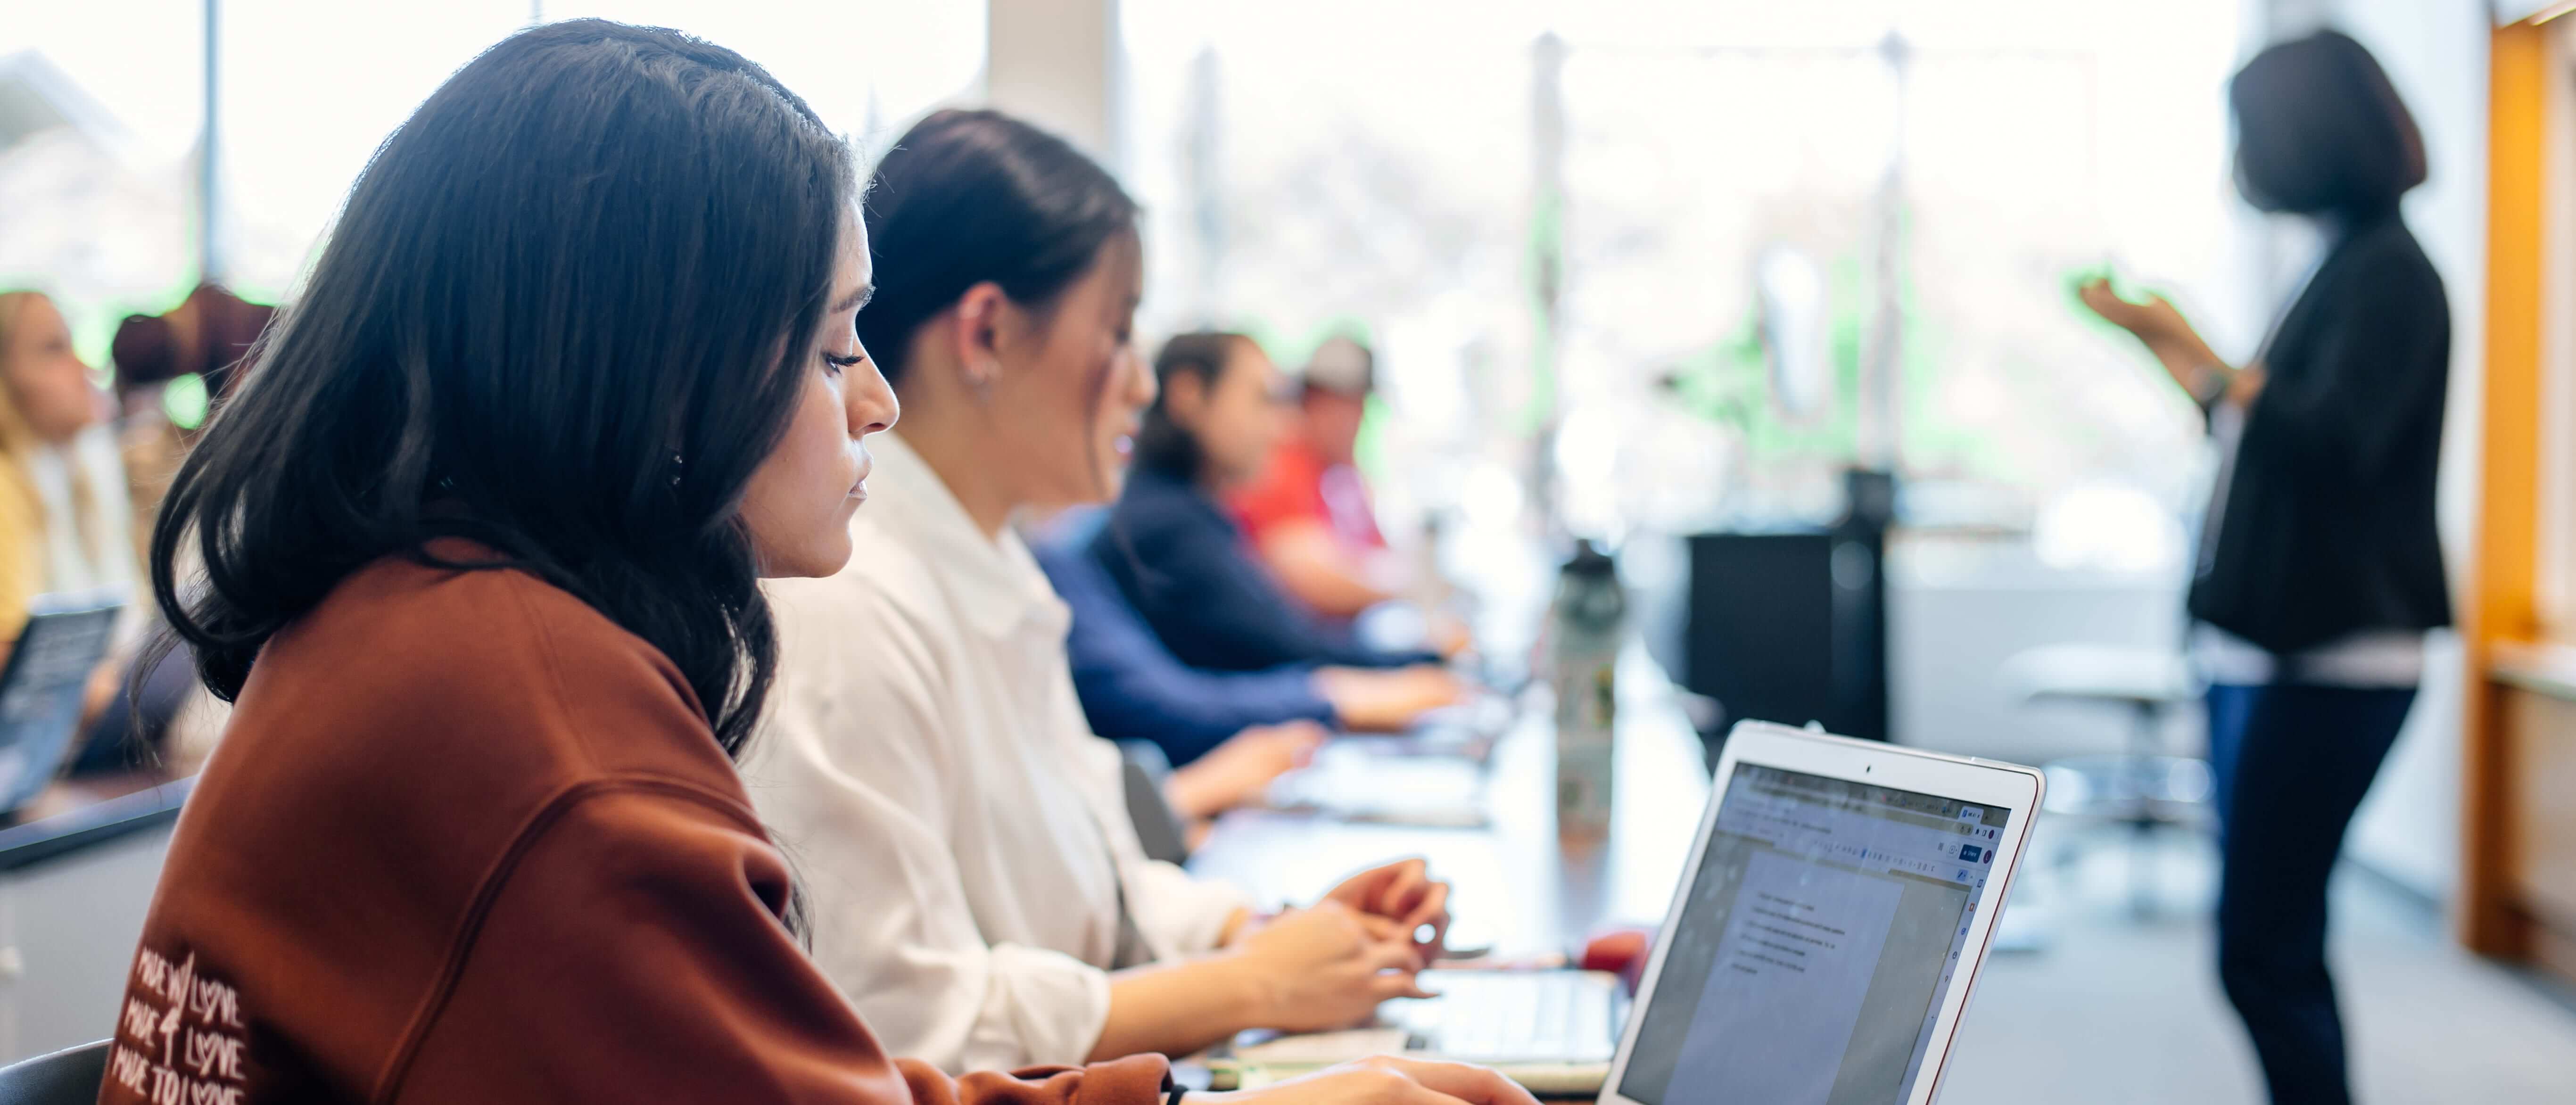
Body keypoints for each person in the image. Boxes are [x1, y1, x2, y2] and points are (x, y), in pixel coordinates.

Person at [100, 24, 1527, 1105]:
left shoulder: (431, 624)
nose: (873, 400)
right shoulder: (538, 717)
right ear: (663, 370)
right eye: (836, 341)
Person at [748, 108, 1458, 1075]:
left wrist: (1275, 928)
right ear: (987, 331)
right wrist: (1254, 980)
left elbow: (1103, 883)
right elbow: (903, 1025)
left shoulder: (990, 560)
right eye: (1118, 333)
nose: (1140, 385)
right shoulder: (842, 598)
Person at [2079, 30, 2448, 1105]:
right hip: (2270, 651)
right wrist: (2162, 345)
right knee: (2267, 943)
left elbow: (2328, 443)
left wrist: (2204, 347)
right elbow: (2255, 433)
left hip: (2328, 660)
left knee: (2263, 948)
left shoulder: (2391, 274)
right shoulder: (2338, 259)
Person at [1099, 332, 1447, 674]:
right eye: (1263, 400)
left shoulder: (1190, 511)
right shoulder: (1169, 523)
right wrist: (1425, 657)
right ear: (1188, 396)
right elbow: (1287, 642)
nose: (1283, 426)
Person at [1032, 506, 1467, 773]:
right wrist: (1331, 695)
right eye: (1262, 400)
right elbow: (1164, 704)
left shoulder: (1197, 514)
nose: (1279, 424)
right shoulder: (1161, 520)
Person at [1230, 335, 1404, 618]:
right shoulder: (1280, 465)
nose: (1349, 421)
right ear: (1307, 404)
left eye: (1356, 406)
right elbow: (1311, 577)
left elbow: (1379, 553)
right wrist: (1407, 584)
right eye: (1334, 405)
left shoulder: (1346, 475)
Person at [0, 289, 138, 649]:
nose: (85, 368)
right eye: (53, 349)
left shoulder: (83, 469)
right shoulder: (8, 488)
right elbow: (26, 673)